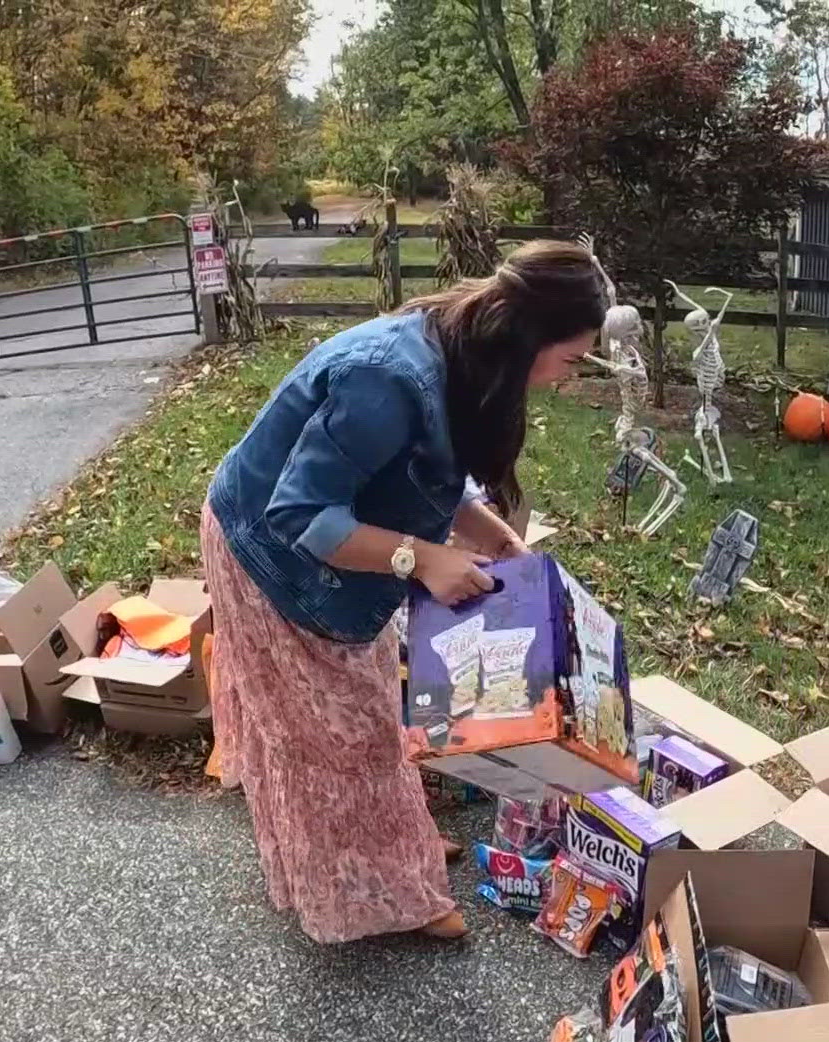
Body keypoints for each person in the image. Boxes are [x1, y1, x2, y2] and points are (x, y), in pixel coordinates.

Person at [201, 241, 609, 943]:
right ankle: (384, 894)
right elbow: (299, 515)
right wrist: (421, 559)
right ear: (528, 336)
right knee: (336, 739)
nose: (566, 382)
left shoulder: (461, 351)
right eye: (570, 361)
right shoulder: (386, 379)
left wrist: (491, 538)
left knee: (364, 725)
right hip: (272, 556)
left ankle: (392, 847)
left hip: (338, 554)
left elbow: (425, 473)